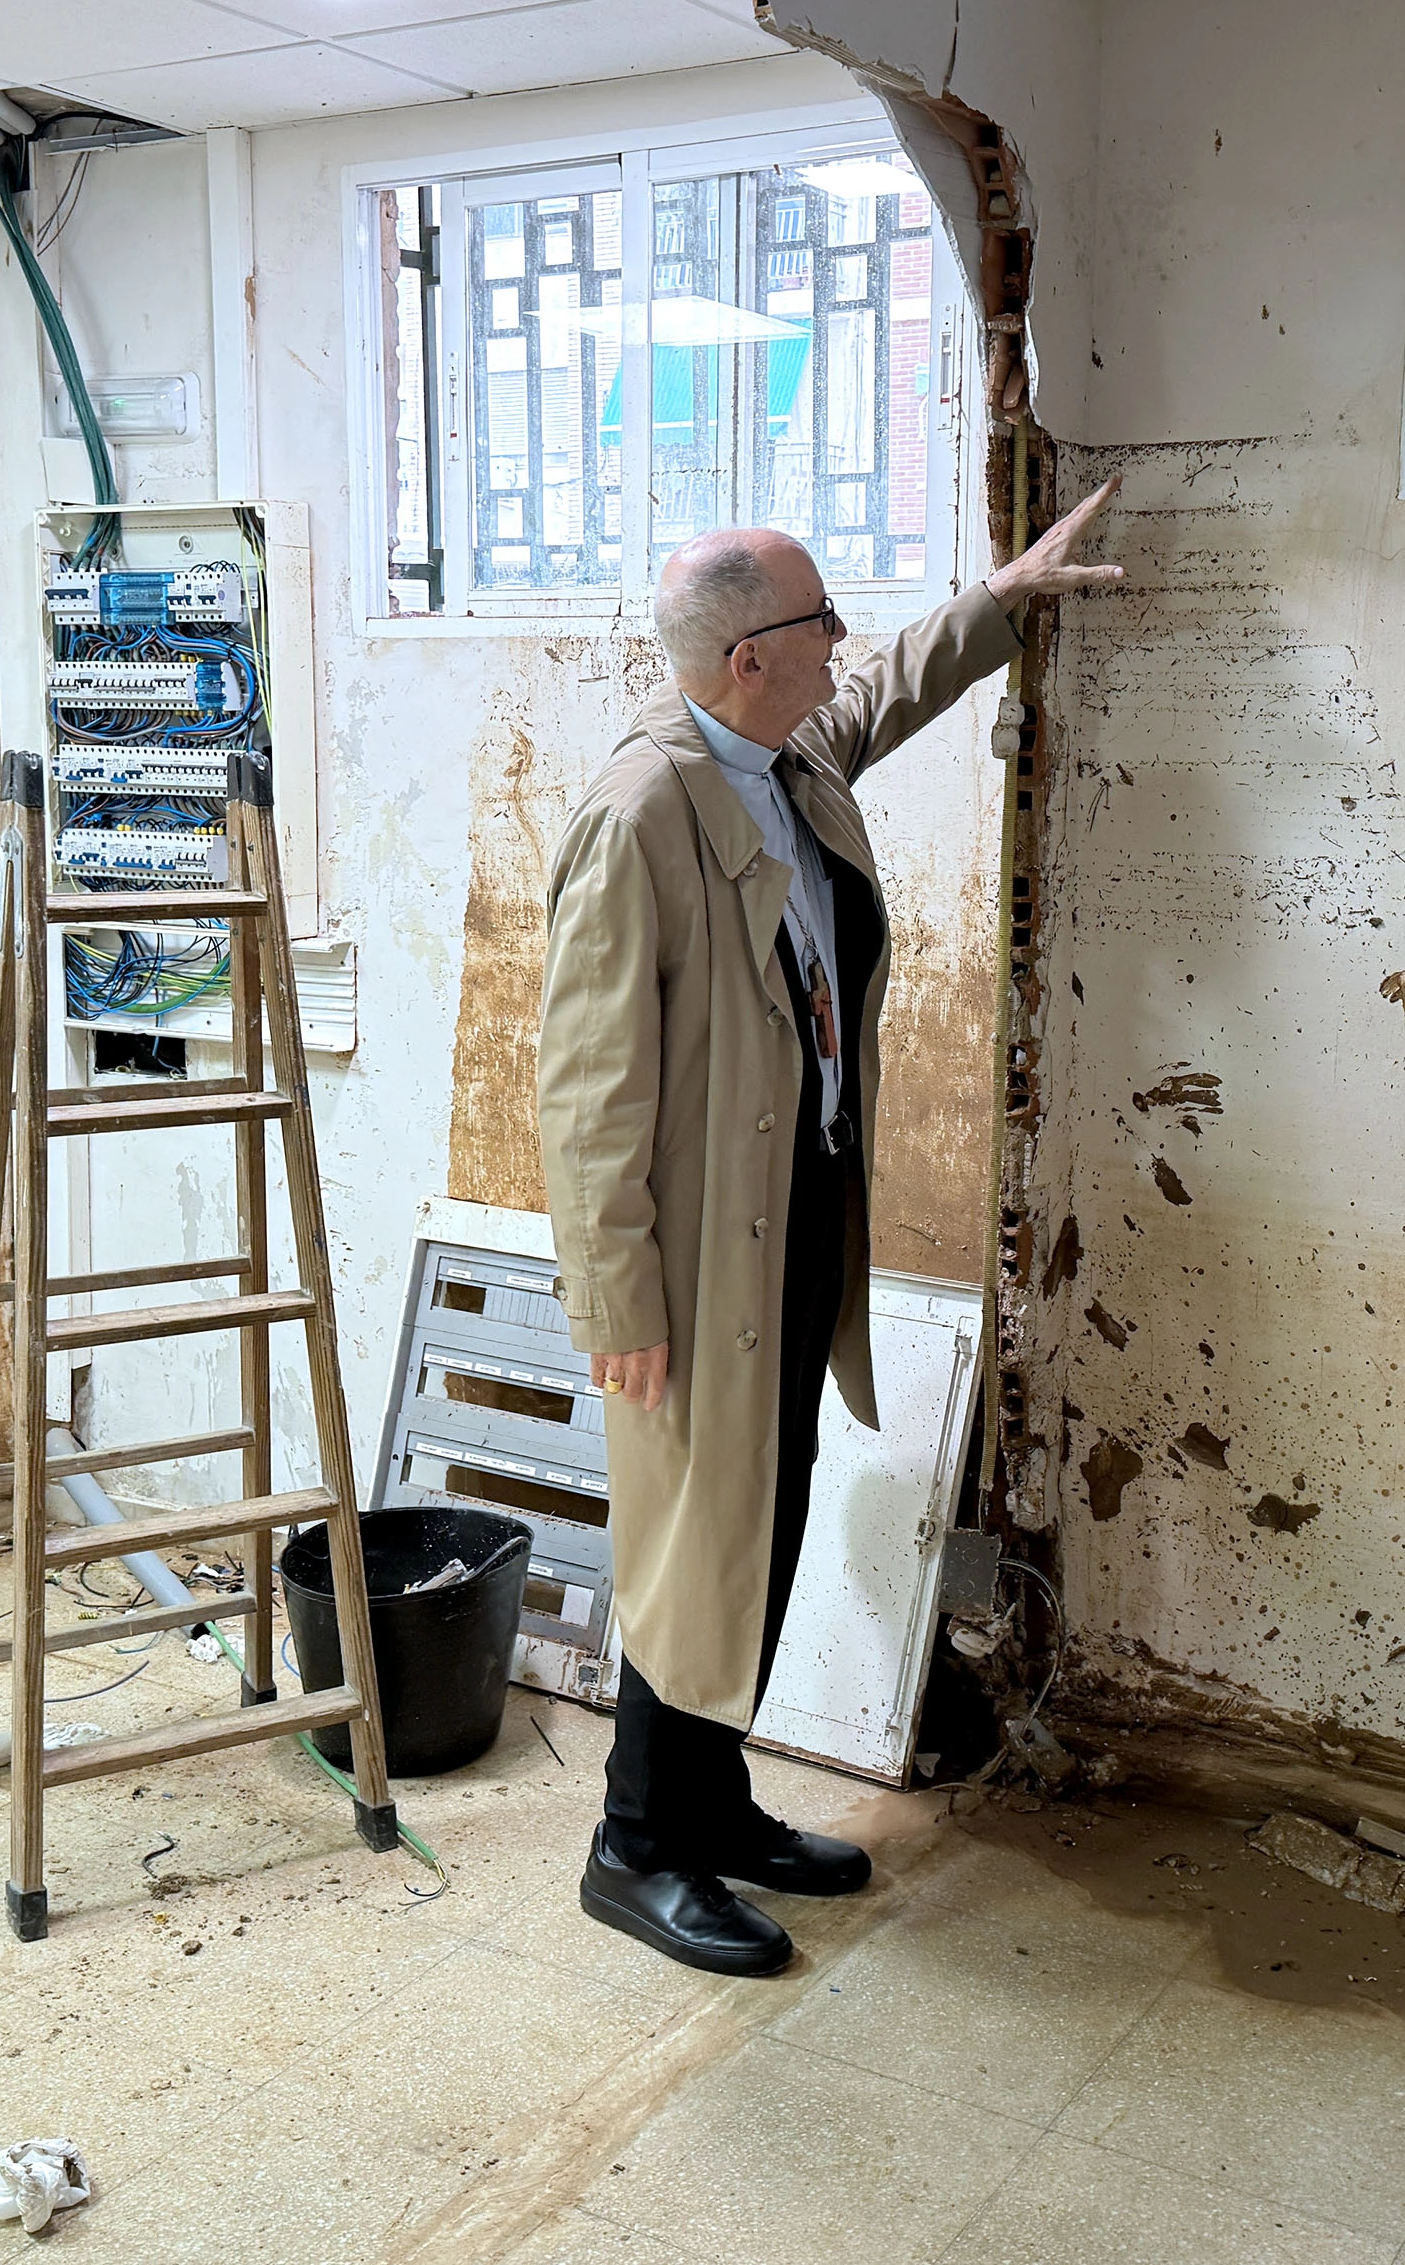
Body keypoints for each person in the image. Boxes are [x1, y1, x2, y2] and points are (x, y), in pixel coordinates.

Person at [536, 482, 1124, 1974]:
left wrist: (1004, 597)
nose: (838, 639)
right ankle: (635, 1841)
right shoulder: (640, 812)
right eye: (813, 620)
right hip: (683, 1264)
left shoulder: (779, 758)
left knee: (768, 1507)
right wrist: (617, 1303)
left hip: (793, 1217)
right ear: (745, 653)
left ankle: (713, 1803)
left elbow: (882, 690)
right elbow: (585, 1092)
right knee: (693, 1537)